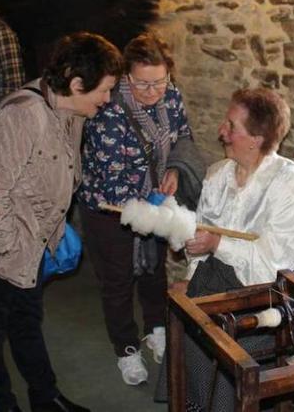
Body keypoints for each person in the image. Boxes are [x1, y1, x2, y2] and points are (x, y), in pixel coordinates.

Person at [0, 32, 122, 412]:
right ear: (76, 84)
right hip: (5, 253)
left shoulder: (72, 112)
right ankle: (2, 405)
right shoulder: (22, 115)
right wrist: (11, 249)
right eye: (104, 91)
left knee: (26, 321)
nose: (107, 100)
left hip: (35, 245)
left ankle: (46, 398)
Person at [162, 87, 294, 410]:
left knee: (216, 342)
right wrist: (193, 264)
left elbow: (272, 265)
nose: (222, 130)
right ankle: (193, 404)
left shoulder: (290, 184)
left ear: (256, 139)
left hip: (279, 291)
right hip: (221, 278)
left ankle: (220, 405)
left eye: (231, 126)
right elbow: (202, 243)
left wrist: (218, 243)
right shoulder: (218, 175)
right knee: (184, 321)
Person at [78, 32, 193, 386]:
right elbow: (113, 180)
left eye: (159, 82)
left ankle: (156, 329)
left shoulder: (170, 96)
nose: (151, 91)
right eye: (142, 84)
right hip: (109, 207)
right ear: (126, 76)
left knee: (154, 271)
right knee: (119, 280)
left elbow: (184, 137)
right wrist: (154, 212)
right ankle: (126, 348)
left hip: (154, 199)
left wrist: (173, 170)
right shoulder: (109, 107)